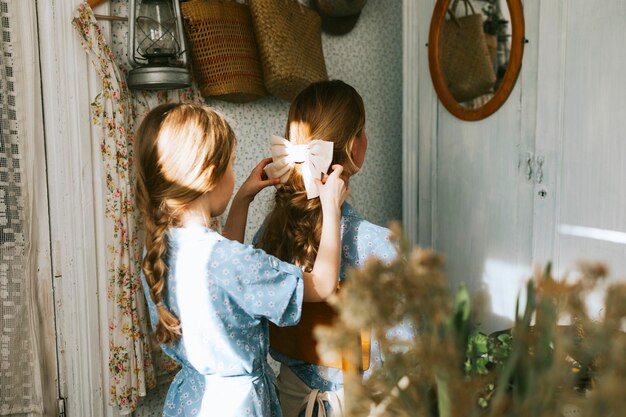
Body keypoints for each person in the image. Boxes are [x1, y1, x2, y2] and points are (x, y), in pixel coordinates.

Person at [133, 102, 348, 417]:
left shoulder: (159, 250)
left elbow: (222, 279)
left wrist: (244, 197)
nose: (235, 174)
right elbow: (323, 285)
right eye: (232, 165)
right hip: (239, 406)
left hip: (190, 401)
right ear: (210, 174)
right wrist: (331, 207)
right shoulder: (233, 262)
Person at [255, 80, 412, 417]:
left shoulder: (269, 233)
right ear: (354, 146)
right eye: (363, 130)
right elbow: (407, 353)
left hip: (288, 400)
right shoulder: (378, 245)